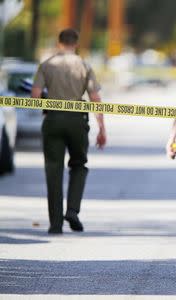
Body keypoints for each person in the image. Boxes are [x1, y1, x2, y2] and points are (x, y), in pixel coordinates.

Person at [31, 28, 107, 234]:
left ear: (59, 42)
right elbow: (95, 98)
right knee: (79, 165)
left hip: (53, 120)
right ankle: (72, 210)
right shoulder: (84, 65)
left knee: (53, 170)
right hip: (76, 122)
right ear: (76, 43)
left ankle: (55, 223)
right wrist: (102, 128)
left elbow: (36, 95)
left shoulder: (47, 65)